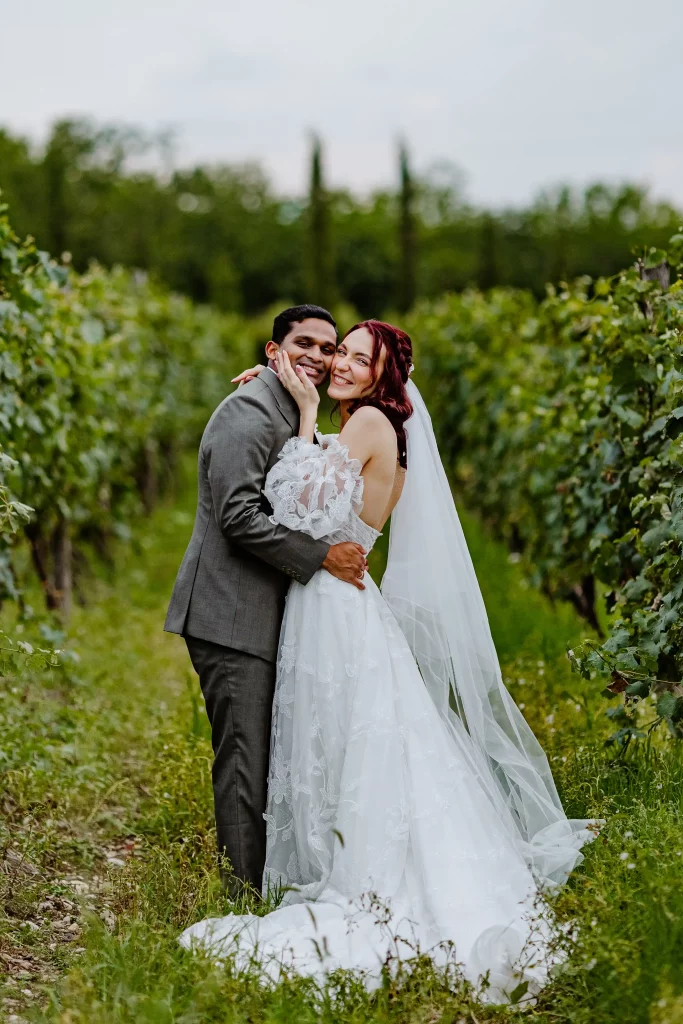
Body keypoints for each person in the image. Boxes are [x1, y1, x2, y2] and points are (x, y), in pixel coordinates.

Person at [179, 320, 598, 1003]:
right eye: (337, 352)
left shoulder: (369, 422)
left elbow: (301, 505)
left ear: (382, 376)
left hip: (334, 605)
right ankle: (329, 854)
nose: (339, 364)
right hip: (335, 600)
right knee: (348, 740)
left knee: (348, 738)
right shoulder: (369, 427)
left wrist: (305, 410)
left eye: (355, 358)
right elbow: (315, 480)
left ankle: (354, 875)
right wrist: (291, 403)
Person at [164, 305, 367, 894]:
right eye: (303, 343)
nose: (319, 356)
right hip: (229, 616)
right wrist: (322, 555)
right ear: (274, 348)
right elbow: (238, 517)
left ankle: (263, 880)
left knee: (264, 756)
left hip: (261, 612)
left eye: (327, 348)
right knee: (244, 760)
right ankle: (242, 898)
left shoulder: (285, 404)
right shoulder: (248, 414)